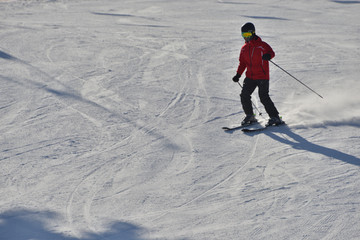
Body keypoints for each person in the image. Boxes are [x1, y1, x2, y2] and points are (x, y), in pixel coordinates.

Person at [232, 22, 283, 126]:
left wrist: (268, 55)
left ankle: (275, 117)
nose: (245, 38)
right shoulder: (244, 49)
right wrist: (238, 75)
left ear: (253, 33)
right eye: (243, 35)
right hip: (250, 77)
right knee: (244, 95)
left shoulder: (262, 45)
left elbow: (271, 52)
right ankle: (250, 116)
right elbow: (242, 63)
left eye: (247, 35)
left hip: (262, 76)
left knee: (263, 96)